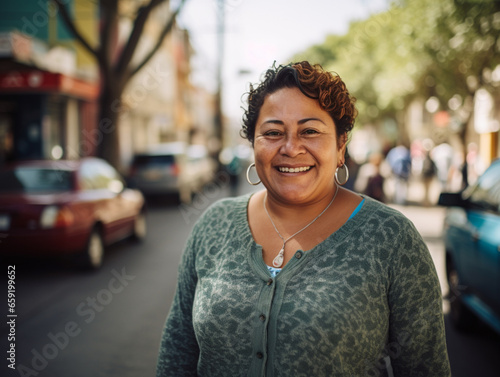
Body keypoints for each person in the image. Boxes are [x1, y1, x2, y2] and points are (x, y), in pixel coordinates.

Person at [156, 61, 451, 377]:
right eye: (272, 132)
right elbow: (178, 351)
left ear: (340, 146)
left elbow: (425, 367)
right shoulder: (214, 225)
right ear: (253, 144)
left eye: (310, 131)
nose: (291, 148)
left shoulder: (391, 238)